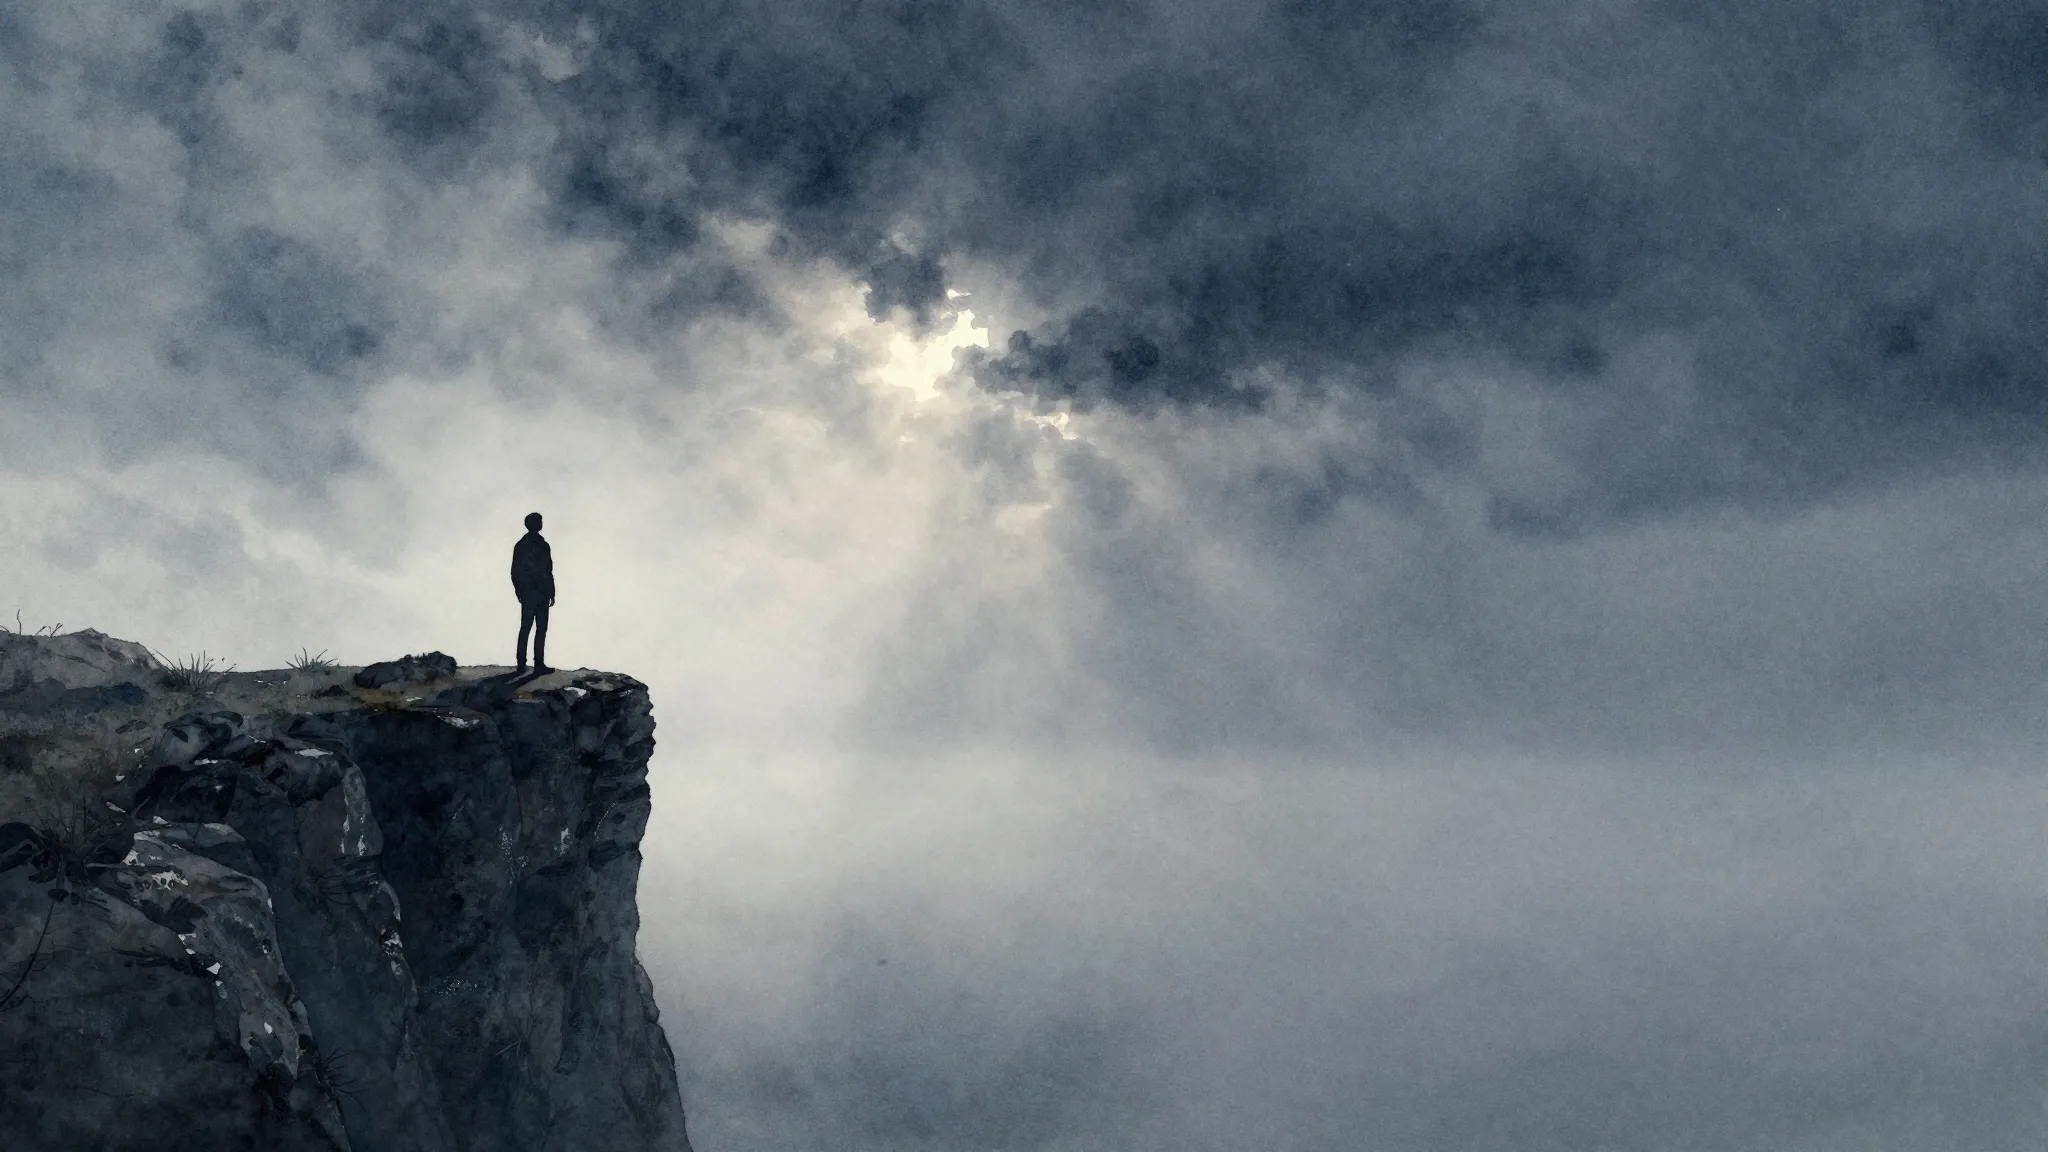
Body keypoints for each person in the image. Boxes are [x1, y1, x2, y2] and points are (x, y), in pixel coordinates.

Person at [511, 512, 555, 673]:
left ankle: (530, 664)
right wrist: (520, 590)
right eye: (539, 521)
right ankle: (530, 663)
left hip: (535, 592)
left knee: (534, 628)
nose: (541, 523)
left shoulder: (527, 545)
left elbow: (548, 570)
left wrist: (551, 592)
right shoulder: (535, 545)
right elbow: (516, 571)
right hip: (534, 592)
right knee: (532, 628)